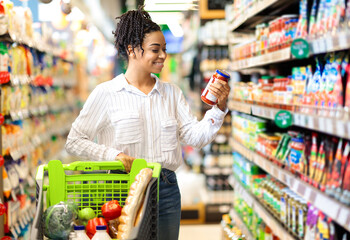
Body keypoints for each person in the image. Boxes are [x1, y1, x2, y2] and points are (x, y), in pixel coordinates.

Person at [65, 6, 230, 240]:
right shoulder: (106, 93)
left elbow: (195, 137)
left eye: (164, 49)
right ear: (132, 50)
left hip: (166, 189)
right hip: (121, 189)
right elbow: (75, 141)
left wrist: (219, 109)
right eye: (155, 49)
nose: (163, 55)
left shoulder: (171, 93)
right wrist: (114, 156)